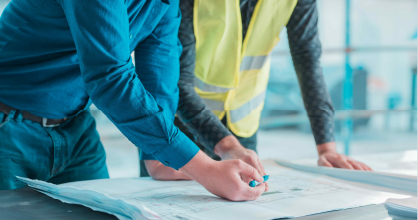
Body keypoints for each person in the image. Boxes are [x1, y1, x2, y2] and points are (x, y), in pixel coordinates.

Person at [0, 0, 267, 201]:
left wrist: (158, 159)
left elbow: (160, 77)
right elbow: (110, 76)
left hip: (76, 126)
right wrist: (204, 168)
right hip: (7, 127)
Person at [140, 0, 372, 180]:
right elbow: (174, 79)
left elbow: (308, 59)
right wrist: (228, 146)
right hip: (180, 123)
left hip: (242, 126)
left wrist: (326, 148)